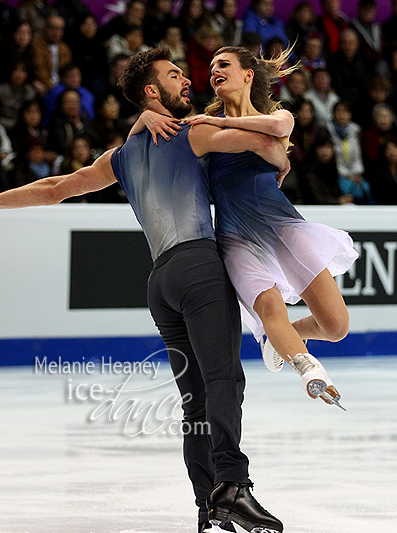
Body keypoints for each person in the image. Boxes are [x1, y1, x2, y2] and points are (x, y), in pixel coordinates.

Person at [0, 46, 291, 533]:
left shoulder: (120, 157)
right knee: (226, 382)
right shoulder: (191, 134)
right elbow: (270, 142)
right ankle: (232, 487)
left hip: (160, 283)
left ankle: (210, 528)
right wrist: (279, 153)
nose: (186, 82)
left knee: (196, 407)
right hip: (197, 266)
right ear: (152, 92)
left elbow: (57, 187)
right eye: (174, 76)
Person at [150, 46, 358, 410]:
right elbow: (160, 130)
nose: (214, 70)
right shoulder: (201, 126)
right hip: (234, 237)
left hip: (281, 227)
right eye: (212, 66)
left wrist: (222, 121)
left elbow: (277, 130)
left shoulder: (275, 116)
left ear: (247, 75)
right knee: (269, 310)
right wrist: (149, 120)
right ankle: (306, 366)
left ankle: (284, 338)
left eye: (224, 64)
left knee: (336, 326)